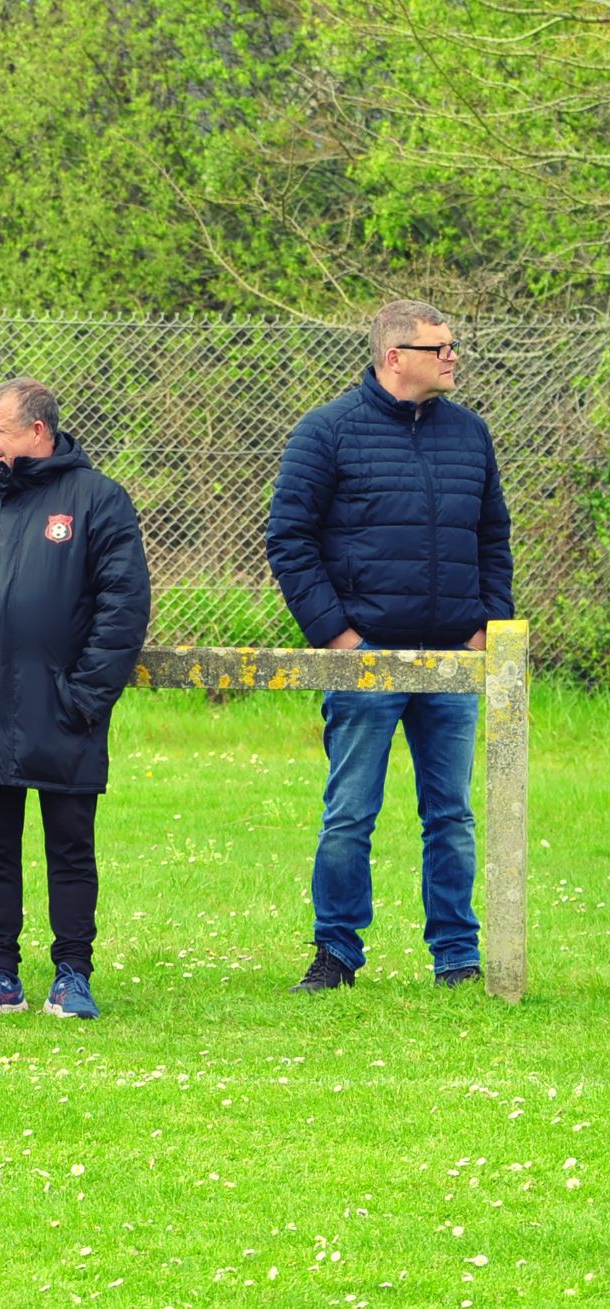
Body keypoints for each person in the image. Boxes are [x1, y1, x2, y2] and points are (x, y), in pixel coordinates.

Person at [266, 300, 512, 992]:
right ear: (395, 355)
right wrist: (342, 639)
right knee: (349, 814)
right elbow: (290, 539)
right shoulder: (327, 432)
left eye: (453, 343)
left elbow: (493, 535)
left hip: (451, 662)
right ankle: (336, 953)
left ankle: (457, 958)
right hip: (365, 660)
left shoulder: (470, 434)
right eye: (440, 346)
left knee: (452, 816)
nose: (453, 355)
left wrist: (486, 626)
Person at [0, 377, 149, 1021]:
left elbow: (122, 607)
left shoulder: (97, 500)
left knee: (71, 847)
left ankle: (72, 975)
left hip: (64, 711)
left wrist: (84, 696)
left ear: (37, 431)